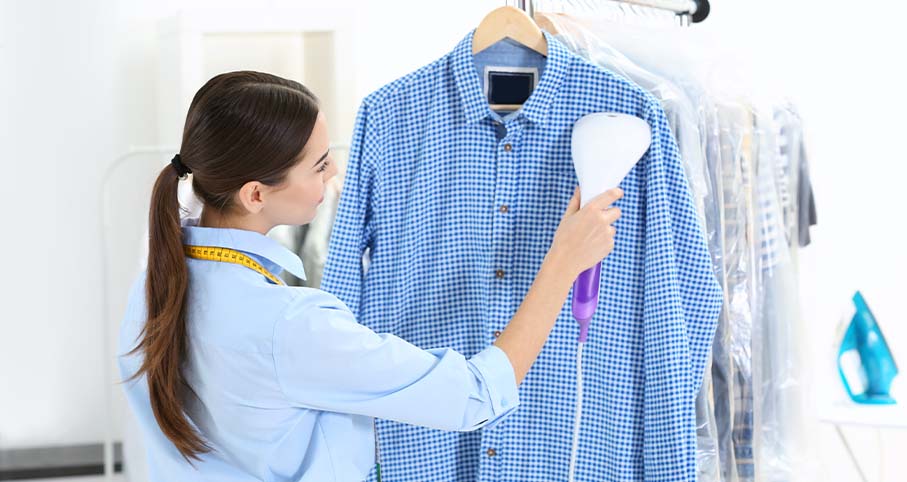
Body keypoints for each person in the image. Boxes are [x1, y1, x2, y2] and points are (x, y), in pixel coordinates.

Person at [118, 70, 623, 480]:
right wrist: (563, 263)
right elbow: (476, 396)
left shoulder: (154, 288)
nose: (334, 173)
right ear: (256, 194)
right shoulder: (293, 325)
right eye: (318, 166)